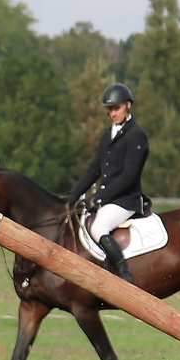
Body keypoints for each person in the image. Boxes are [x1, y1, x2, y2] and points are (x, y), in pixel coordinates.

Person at [67, 83, 150, 284]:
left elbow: (129, 176)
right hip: (108, 199)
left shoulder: (136, 135)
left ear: (128, 105)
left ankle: (124, 274)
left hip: (125, 200)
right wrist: (71, 197)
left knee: (98, 228)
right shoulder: (108, 133)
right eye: (109, 109)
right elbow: (93, 170)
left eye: (116, 108)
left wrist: (98, 198)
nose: (112, 113)